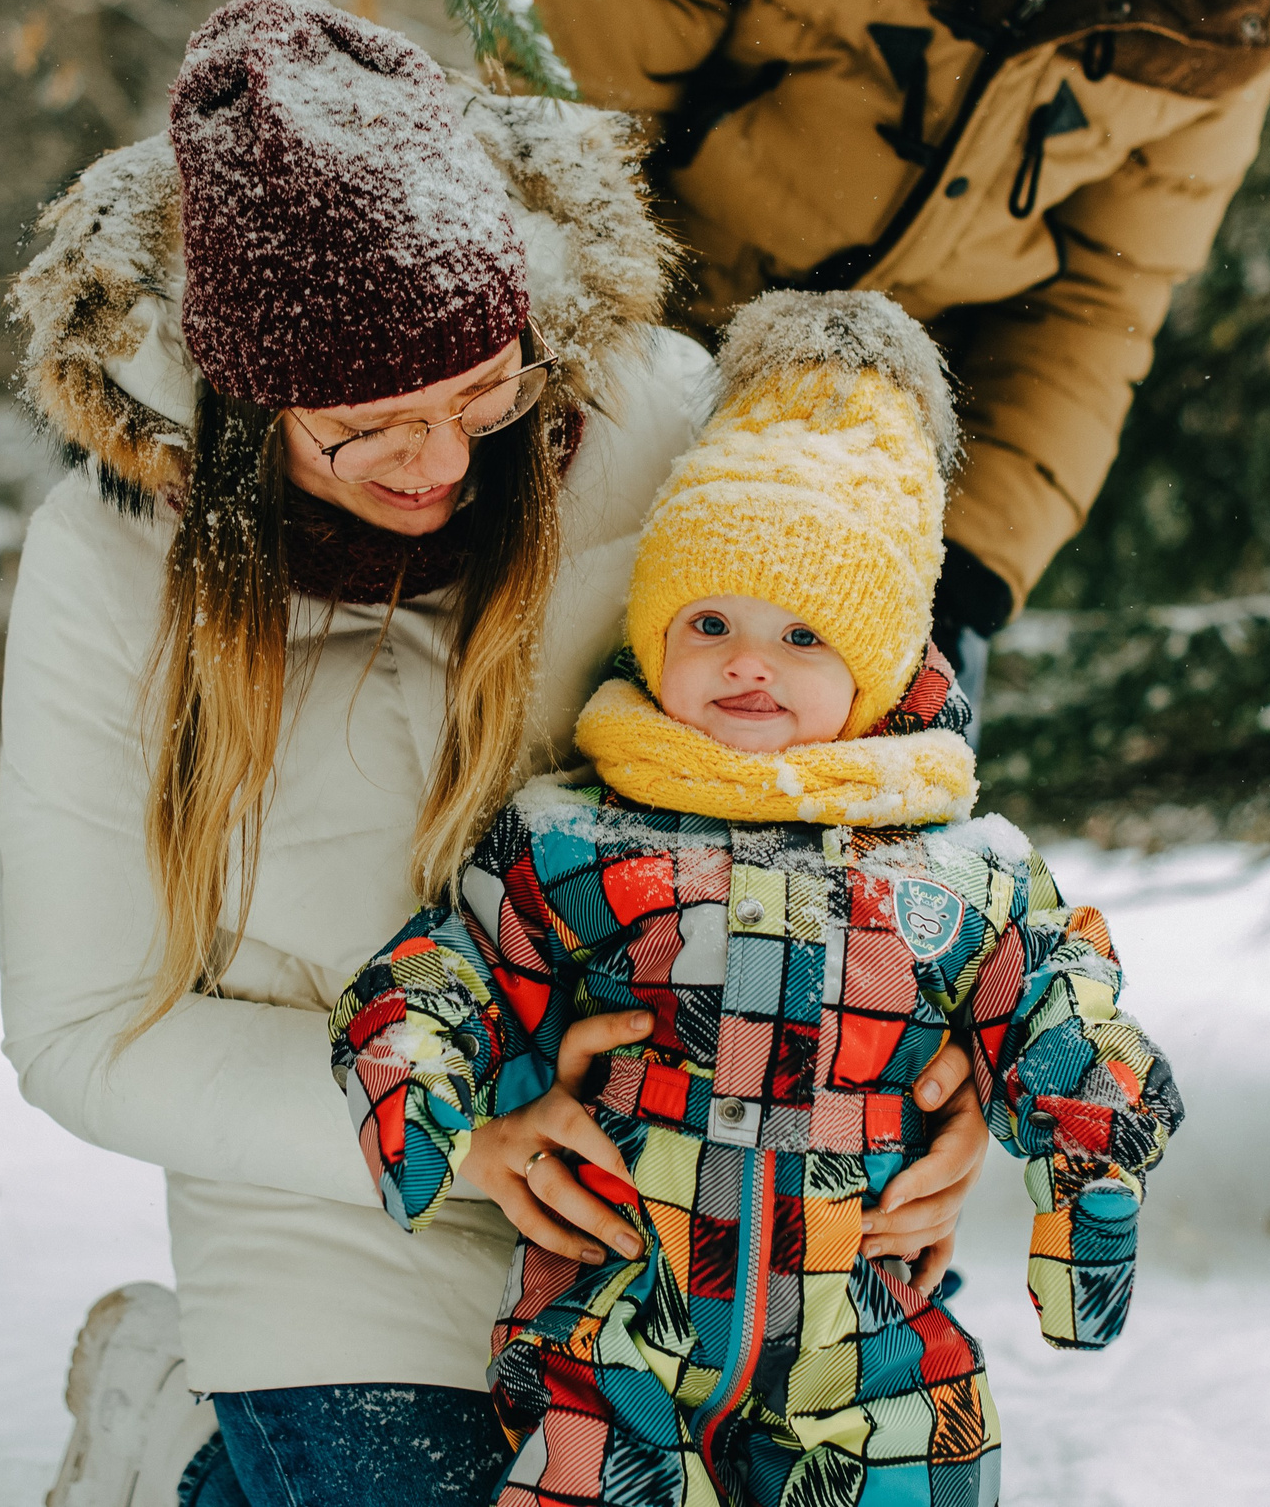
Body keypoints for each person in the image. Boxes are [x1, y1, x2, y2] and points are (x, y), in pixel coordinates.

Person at [0, 0, 993, 1507]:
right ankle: (184, 1444)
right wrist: (457, 1139)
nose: (444, 462)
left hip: (701, 1162)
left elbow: (871, 739)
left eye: (481, 395)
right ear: (252, 404)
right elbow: (85, 1033)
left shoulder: (647, 416)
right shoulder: (111, 561)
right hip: (347, 1190)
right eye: (369, 427)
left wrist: (957, 1061)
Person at [329, 289, 1183, 1505]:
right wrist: (414, 1073)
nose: (745, 661)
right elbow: (448, 962)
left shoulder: (958, 869)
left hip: (867, 1335)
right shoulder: (577, 837)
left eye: (802, 636)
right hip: (620, 1325)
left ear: (882, 662)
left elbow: (1063, 1005)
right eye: (712, 619)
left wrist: (1087, 1162)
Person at [521, 0, 1270, 690]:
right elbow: (557, 134)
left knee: (879, 792)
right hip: (632, 366)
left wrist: (965, 562)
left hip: (887, 457)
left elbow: (1101, 295)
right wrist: (555, 424)